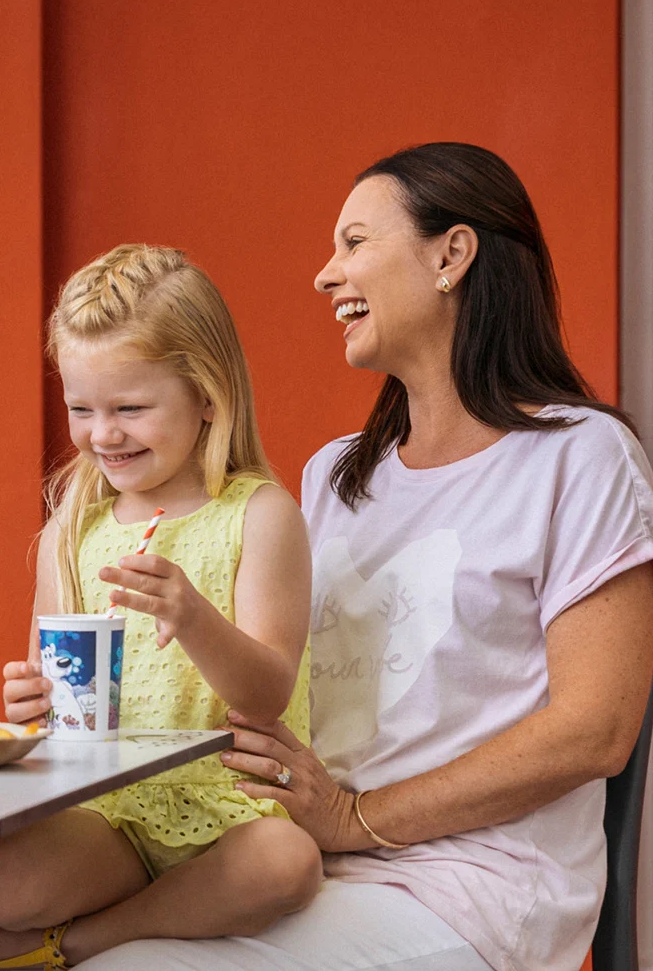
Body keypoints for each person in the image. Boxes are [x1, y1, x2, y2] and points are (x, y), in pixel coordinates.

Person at [89, 142, 653, 970]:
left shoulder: (581, 455)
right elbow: (268, 677)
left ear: (450, 256)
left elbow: (594, 730)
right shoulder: (333, 475)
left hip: (473, 888)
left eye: (355, 243)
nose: (325, 275)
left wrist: (358, 816)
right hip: (299, 865)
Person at [0, 245, 320, 970]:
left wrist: (193, 617)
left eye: (130, 409)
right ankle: (125, 905)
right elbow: (51, 698)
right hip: (109, 812)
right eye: (82, 409)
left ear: (207, 396)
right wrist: (27, 703)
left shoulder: (260, 516)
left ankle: (72, 945)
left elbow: (269, 693)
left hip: (230, 806)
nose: (102, 434)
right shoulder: (71, 531)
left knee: (288, 863)